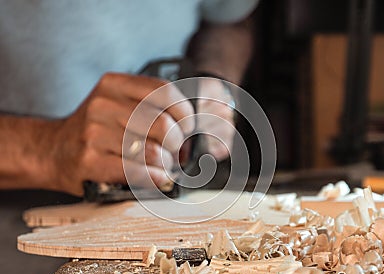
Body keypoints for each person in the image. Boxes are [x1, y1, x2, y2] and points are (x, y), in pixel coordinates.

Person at [0, 0, 257, 196]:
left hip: (167, 186)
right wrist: (48, 148)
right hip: (17, 200)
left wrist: (215, 80)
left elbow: (228, 20)